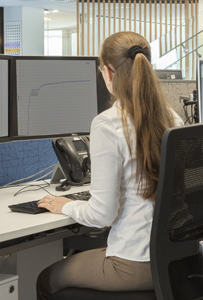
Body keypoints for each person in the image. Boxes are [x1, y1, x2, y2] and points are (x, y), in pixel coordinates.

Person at [35, 32, 182, 299]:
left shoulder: (108, 123)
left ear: (108, 72)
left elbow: (102, 215)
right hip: (177, 260)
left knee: (46, 280)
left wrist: (64, 205)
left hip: (131, 265)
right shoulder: (171, 118)